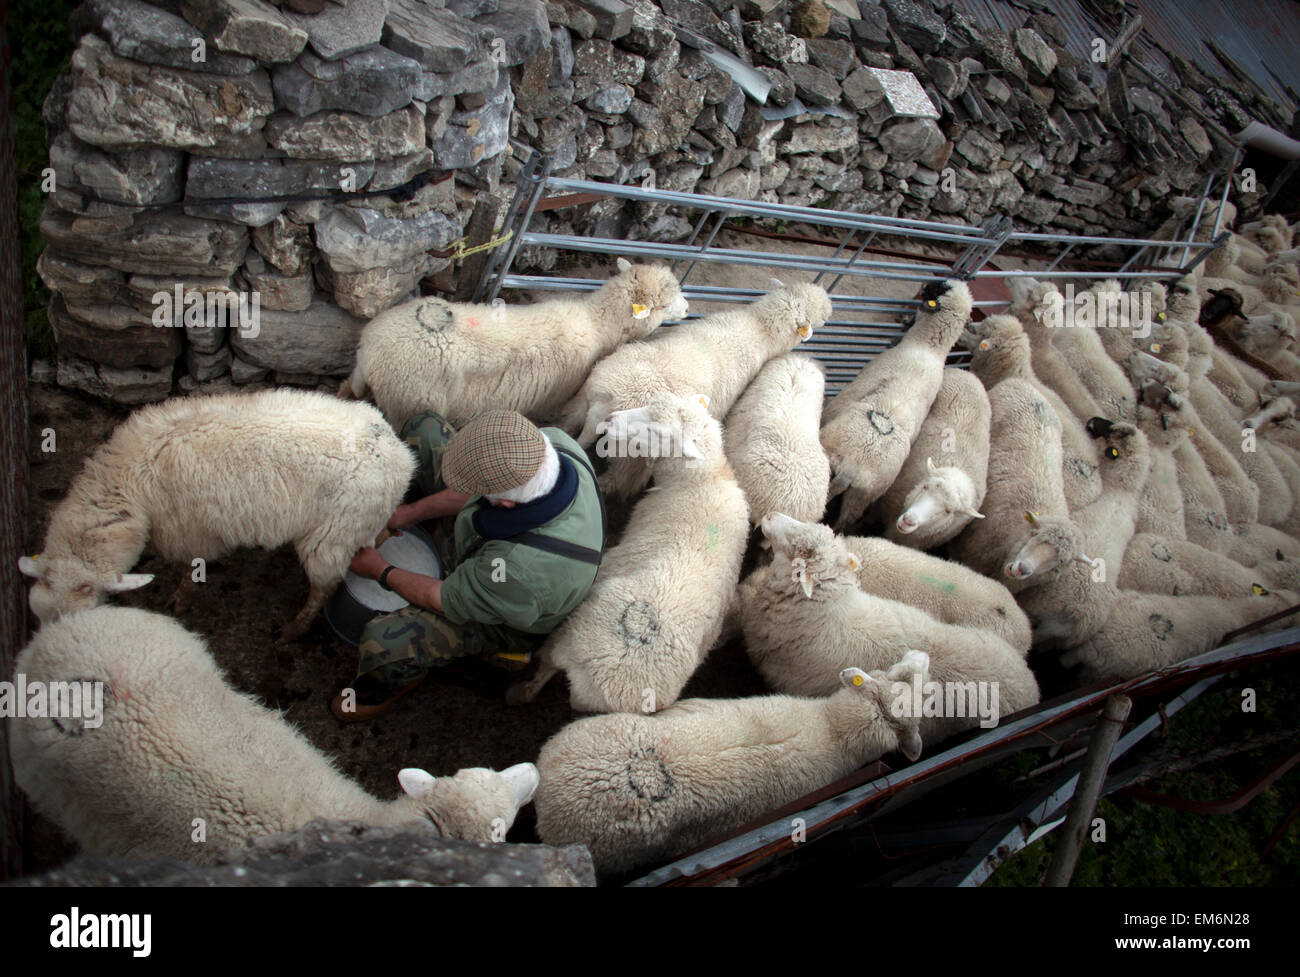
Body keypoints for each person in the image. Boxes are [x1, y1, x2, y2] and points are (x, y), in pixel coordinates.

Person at [333, 408, 605, 721]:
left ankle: (379, 691)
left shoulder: (519, 569)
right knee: (424, 429)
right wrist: (406, 515)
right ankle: (441, 530)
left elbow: (443, 598)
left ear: (505, 504)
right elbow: (470, 495)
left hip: (506, 612)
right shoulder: (553, 445)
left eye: (480, 492)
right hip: (497, 550)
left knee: (386, 641)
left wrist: (380, 570)